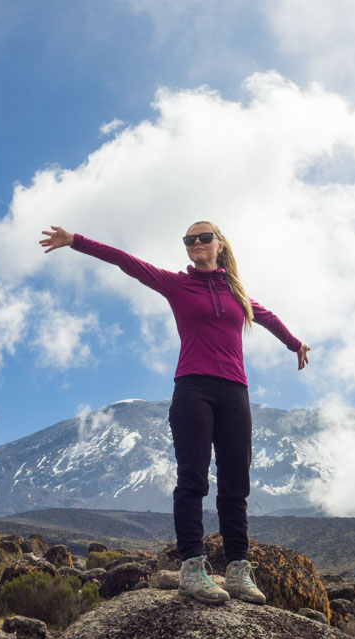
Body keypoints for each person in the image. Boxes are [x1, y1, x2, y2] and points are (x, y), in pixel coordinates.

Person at [41, 221, 309, 603]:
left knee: (236, 486)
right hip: (193, 390)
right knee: (193, 480)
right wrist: (75, 242)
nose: (196, 243)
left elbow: (267, 318)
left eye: (204, 237)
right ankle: (193, 568)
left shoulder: (237, 294)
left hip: (235, 392)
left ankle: (238, 571)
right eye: (189, 239)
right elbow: (125, 261)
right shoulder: (176, 284)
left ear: (220, 245)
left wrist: (295, 344)